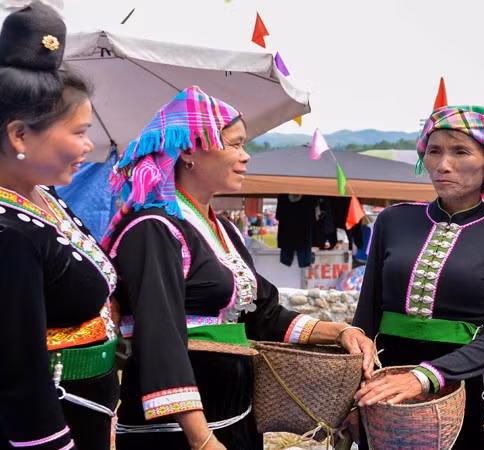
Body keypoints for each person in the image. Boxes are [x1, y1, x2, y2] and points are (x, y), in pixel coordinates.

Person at [103, 86, 374, 450]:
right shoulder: (151, 229)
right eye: (234, 144)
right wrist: (201, 439)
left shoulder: (224, 230)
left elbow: (261, 314)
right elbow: (160, 336)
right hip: (178, 432)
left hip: (235, 418)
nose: (245, 157)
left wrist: (339, 331)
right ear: (187, 151)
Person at [0, 4, 118, 449]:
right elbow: (17, 380)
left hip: (78, 412)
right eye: (78, 131)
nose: (88, 145)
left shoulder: (37, 197)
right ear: (19, 135)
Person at [353, 106, 484, 448]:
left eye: (460, 152)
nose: (442, 165)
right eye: (434, 151)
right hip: (381, 384)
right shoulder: (393, 220)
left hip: (462, 383)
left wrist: (425, 377)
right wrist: (352, 389)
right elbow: (365, 315)